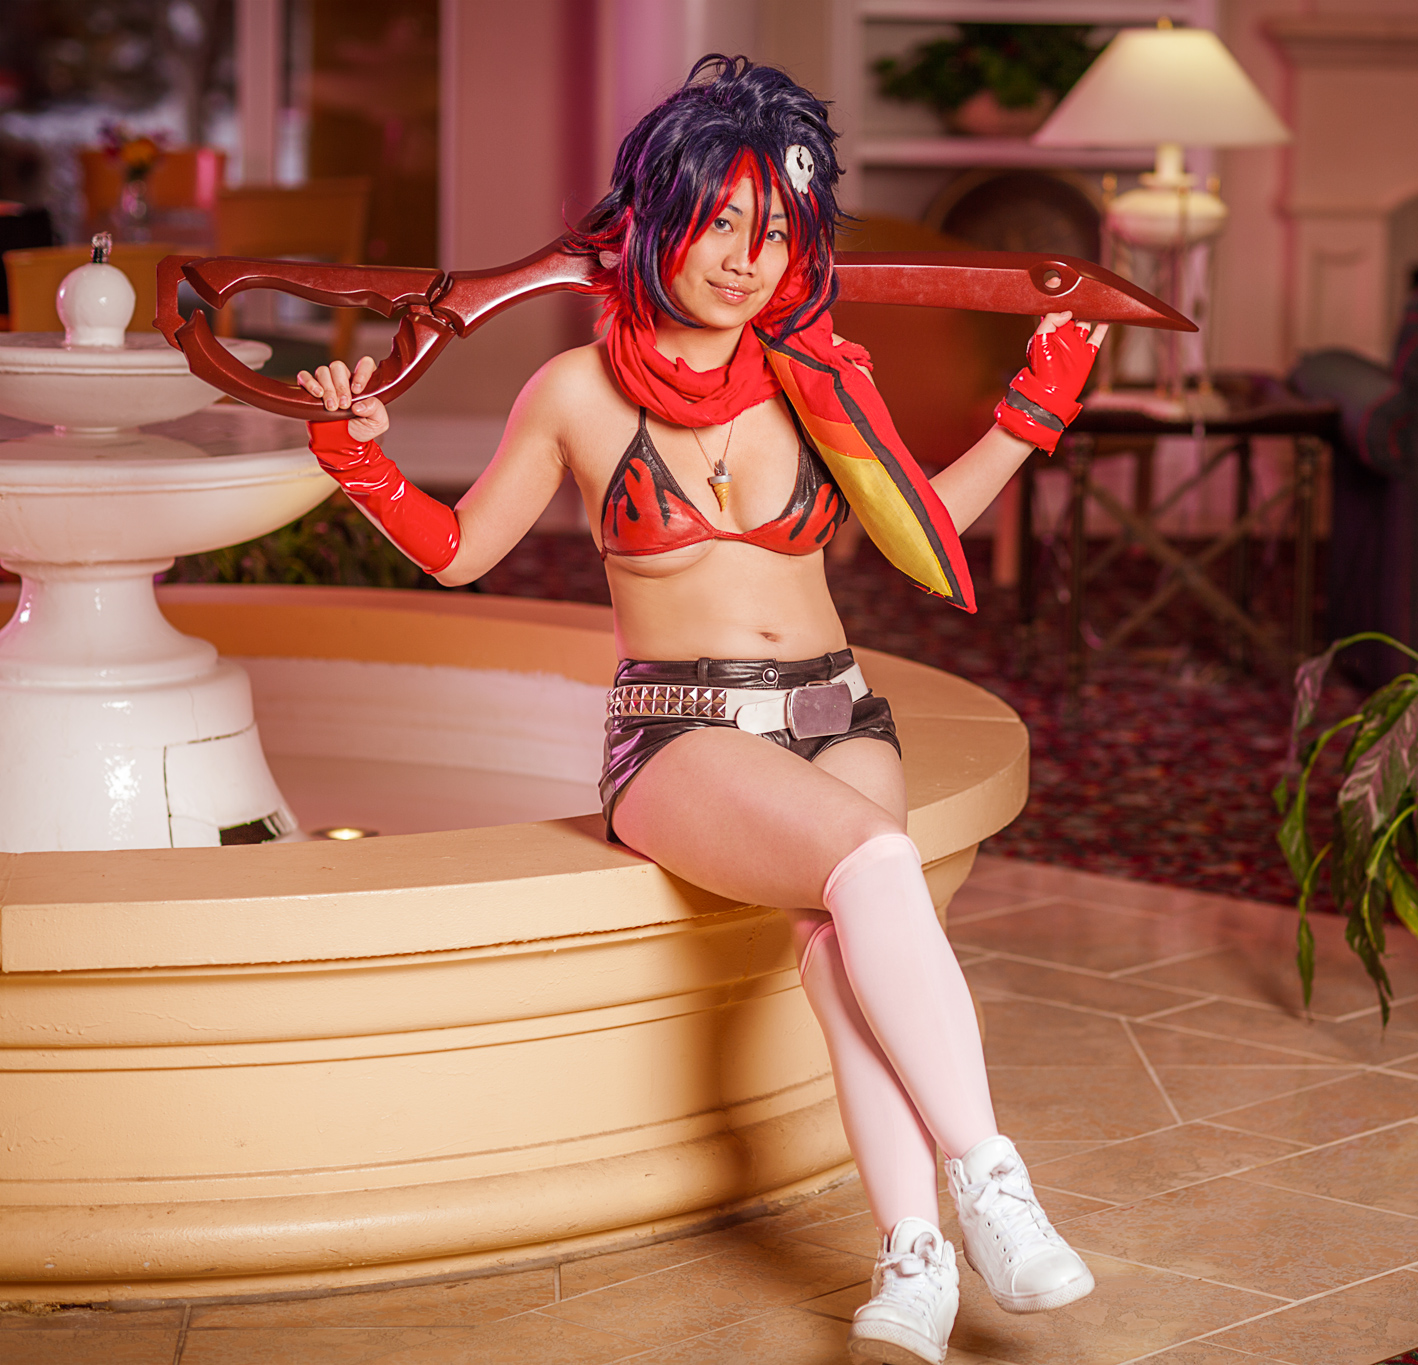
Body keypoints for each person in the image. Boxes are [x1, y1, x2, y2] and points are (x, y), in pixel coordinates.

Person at [295, 56, 1103, 1365]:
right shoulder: (574, 394)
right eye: (720, 221)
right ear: (659, 219)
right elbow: (458, 552)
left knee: (839, 947)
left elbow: (919, 531)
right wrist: (356, 458)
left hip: (838, 710)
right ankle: (991, 1180)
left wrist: (1034, 408)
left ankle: (915, 1261)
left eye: (773, 231)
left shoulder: (819, 377)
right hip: (678, 733)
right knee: (875, 861)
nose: (743, 259)